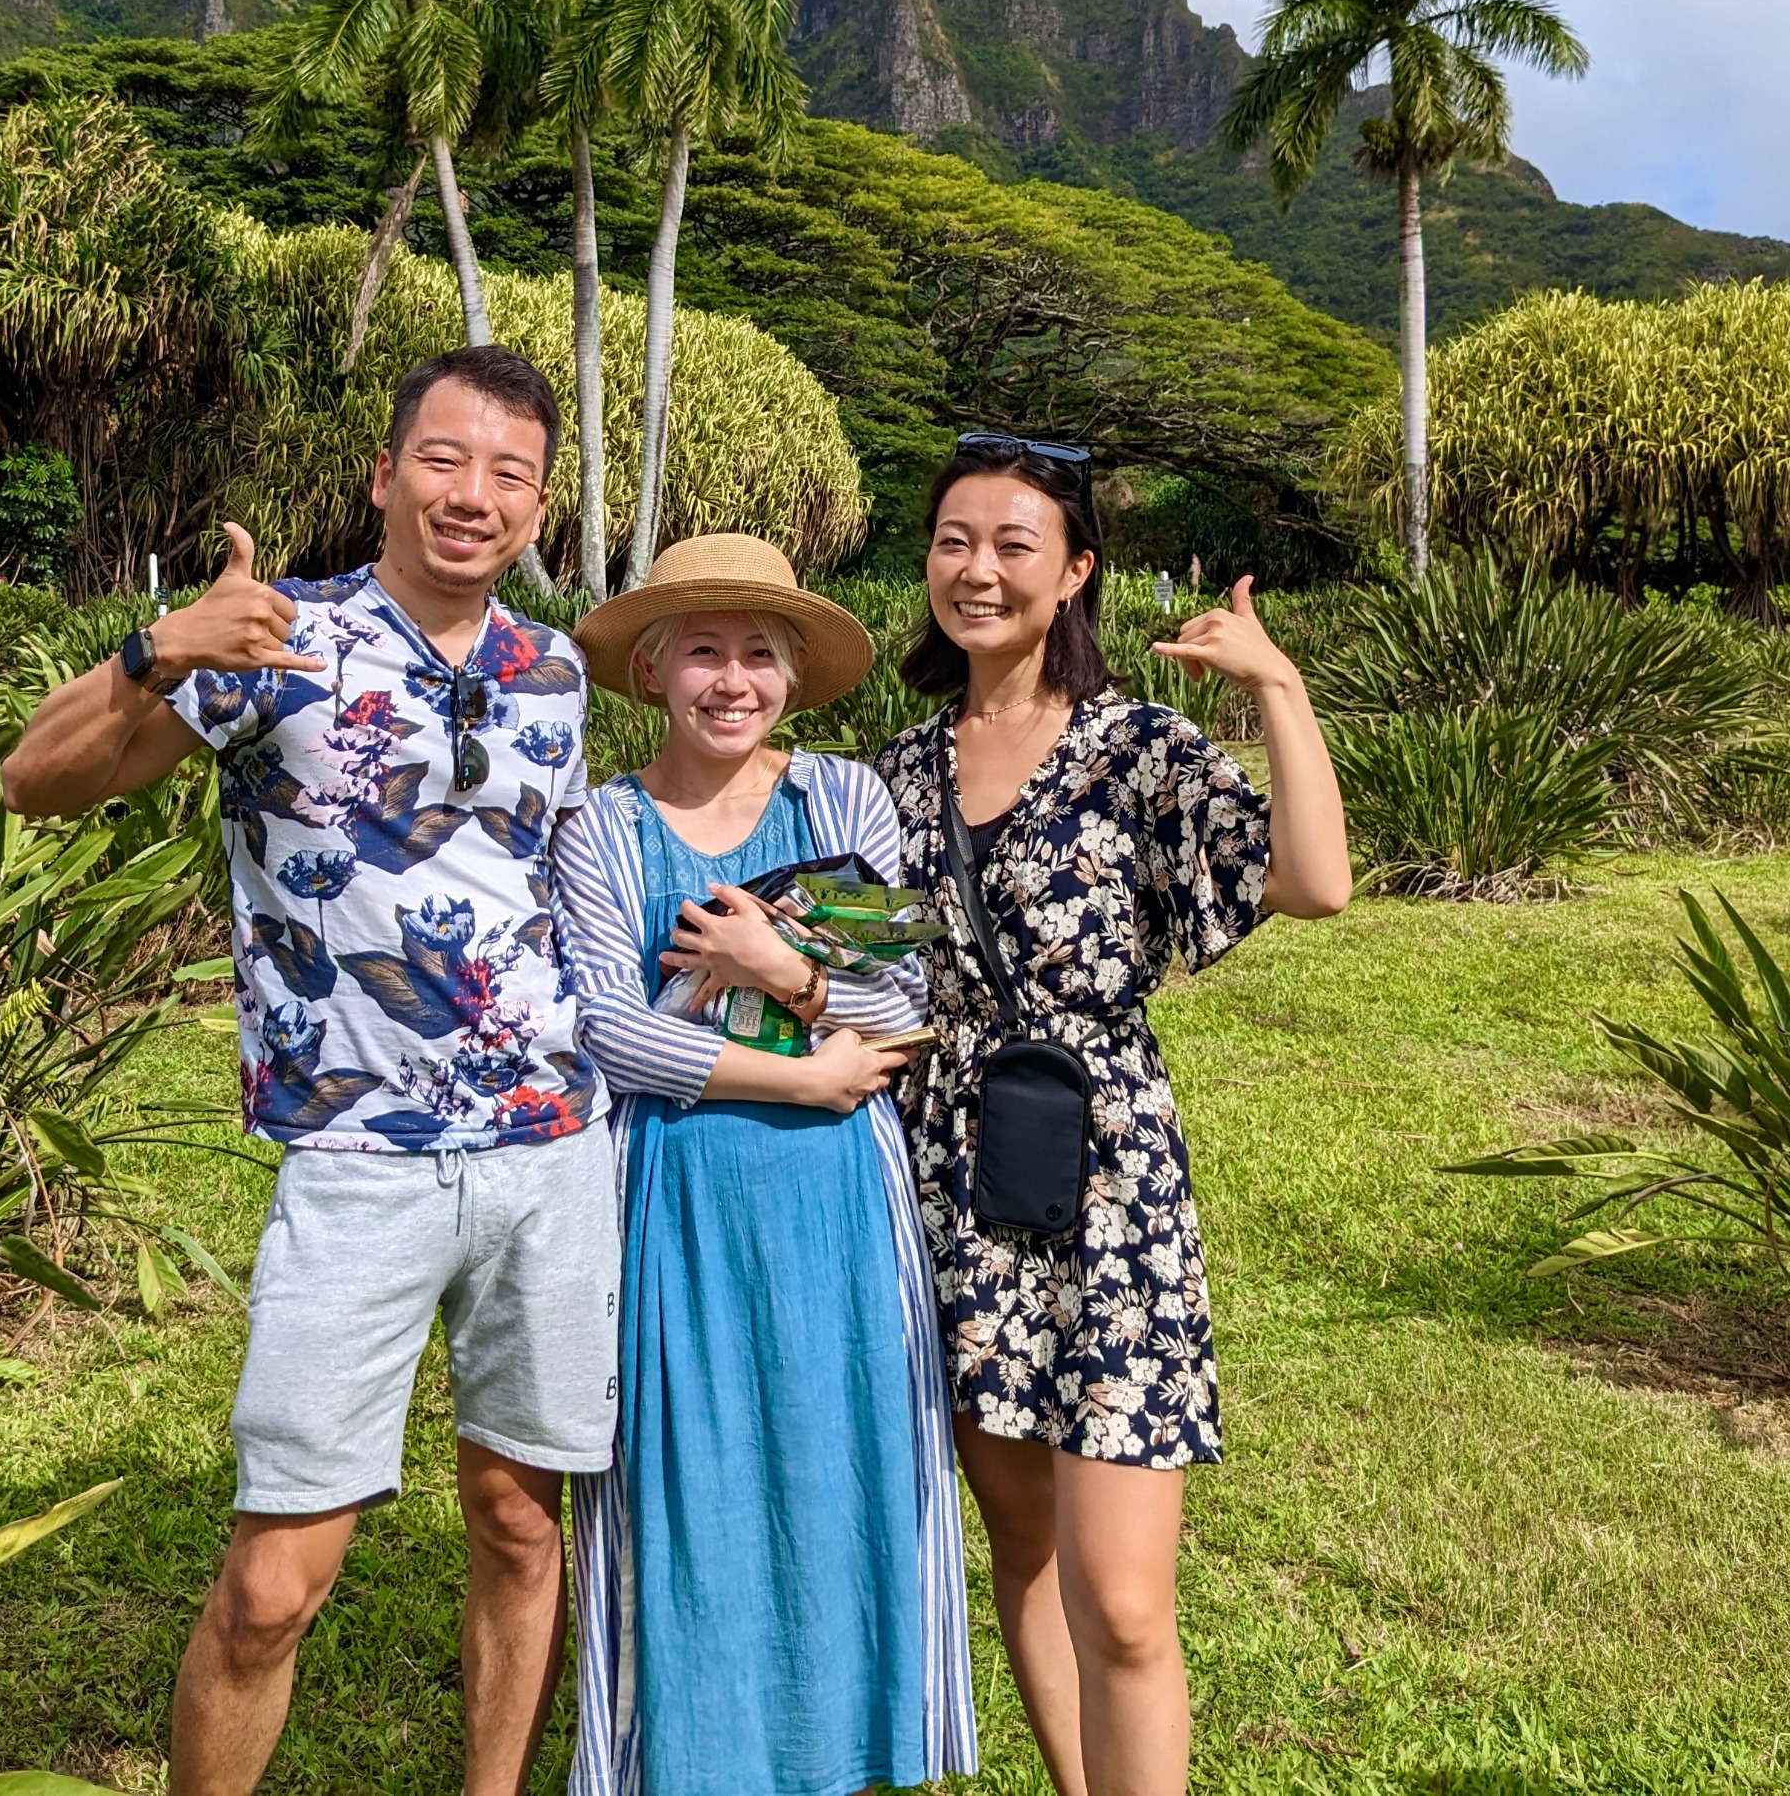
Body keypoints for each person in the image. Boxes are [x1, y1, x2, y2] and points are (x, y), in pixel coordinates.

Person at [0, 345, 618, 1796]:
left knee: (524, 1521)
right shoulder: (278, 634)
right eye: (446, 459)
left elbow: (553, 880)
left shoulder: (555, 669)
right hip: (354, 1160)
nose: (475, 495)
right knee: (277, 1576)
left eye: (511, 473)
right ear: (385, 472)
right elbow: (38, 782)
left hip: (550, 1140)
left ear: (538, 506)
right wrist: (160, 647)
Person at [872, 434, 1351, 1796]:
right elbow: (869, 966)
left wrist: (1279, 688)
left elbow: (1313, 881)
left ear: (1074, 569)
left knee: (1126, 1602)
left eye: (1014, 544)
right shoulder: (899, 768)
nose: (979, 568)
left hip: (1108, 1178)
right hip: (953, 1169)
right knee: (1018, 1553)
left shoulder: (1139, 745)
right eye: (955, 539)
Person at [551, 532, 979, 1796]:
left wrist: (775, 969)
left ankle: (840, 1754)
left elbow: (903, 1003)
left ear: (792, 675)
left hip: (842, 1203)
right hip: (678, 1197)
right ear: (650, 670)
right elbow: (606, 1029)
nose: (730, 681)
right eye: (702, 652)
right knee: (689, 1483)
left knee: (844, 1468)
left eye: (758, 654)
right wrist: (805, 1064)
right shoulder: (604, 828)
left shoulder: (841, 801)